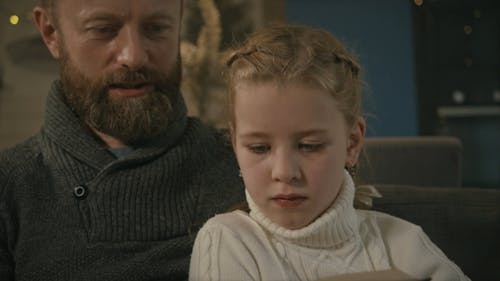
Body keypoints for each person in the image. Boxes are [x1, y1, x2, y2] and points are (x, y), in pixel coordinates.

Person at [189, 24, 470, 281]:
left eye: (309, 146)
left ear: (351, 144)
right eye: (259, 148)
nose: (284, 172)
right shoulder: (226, 240)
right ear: (235, 144)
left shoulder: (405, 244)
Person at [0, 0, 244, 280]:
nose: (134, 56)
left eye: (156, 28)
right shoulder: (9, 189)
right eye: (103, 29)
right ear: (51, 32)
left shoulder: (250, 170)